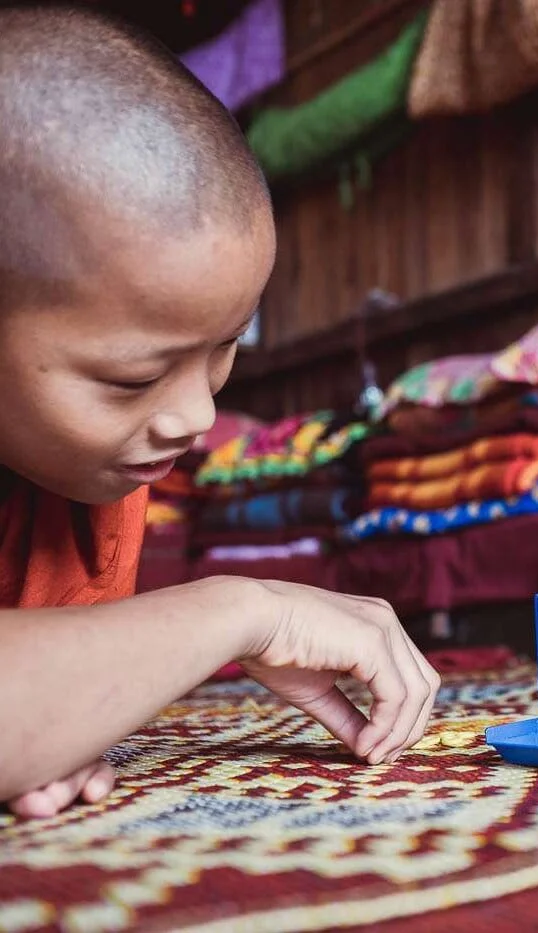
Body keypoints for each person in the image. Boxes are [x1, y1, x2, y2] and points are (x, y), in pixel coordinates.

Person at [0, 6, 439, 820]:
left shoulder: (91, 473)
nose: (196, 416)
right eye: (134, 378)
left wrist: (58, 719)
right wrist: (241, 612)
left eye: (225, 345)